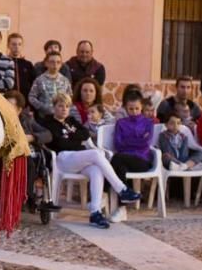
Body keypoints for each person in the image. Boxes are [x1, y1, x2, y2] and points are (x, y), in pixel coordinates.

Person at [41, 93, 141, 229]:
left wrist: (71, 137)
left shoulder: (71, 120)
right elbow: (59, 143)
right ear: (54, 107)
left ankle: (95, 213)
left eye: (67, 106)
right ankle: (122, 189)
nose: (64, 109)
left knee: (96, 170)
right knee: (95, 153)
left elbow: (85, 134)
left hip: (79, 158)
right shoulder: (48, 122)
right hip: (63, 159)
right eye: (60, 106)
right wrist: (75, 139)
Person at [110, 91, 155, 183]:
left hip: (142, 159)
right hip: (124, 158)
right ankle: (126, 195)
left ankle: (105, 191)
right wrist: (138, 140)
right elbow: (117, 145)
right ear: (126, 108)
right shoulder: (121, 123)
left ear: (141, 107)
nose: (134, 111)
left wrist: (126, 141)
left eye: (137, 108)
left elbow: (146, 143)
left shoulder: (148, 123)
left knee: (116, 158)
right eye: (131, 109)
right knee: (121, 168)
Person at [29, 51, 73, 117]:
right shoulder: (39, 80)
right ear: (46, 63)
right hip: (45, 117)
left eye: (58, 62)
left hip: (61, 117)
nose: (55, 65)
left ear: (61, 64)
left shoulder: (65, 81)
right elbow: (32, 97)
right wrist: (43, 107)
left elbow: (70, 96)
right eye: (52, 62)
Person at [7, 32, 35, 104]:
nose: (17, 47)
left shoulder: (28, 65)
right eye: (14, 44)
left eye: (19, 44)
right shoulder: (4, 62)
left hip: (25, 103)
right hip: (8, 101)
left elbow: (33, 85)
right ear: (8, 45)